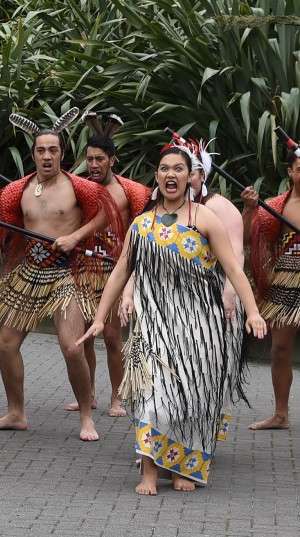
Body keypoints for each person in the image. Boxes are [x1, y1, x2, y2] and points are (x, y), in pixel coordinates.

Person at [77, 146, 266, 494]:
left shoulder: (204, 219)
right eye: (164, 169)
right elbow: (121, 273)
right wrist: (100, 319)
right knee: (152, 398)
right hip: (153, 327)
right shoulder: (142, 224)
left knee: (189, 399)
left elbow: (233, 269)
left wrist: (252, 311)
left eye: (178, 169)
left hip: (199, 328)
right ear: (157, 177)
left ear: (191, 176)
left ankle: (180, 469)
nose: (170, 175)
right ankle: (149, 471)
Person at [0, 111, 123, 441]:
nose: (47, 156)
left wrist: (76, 237)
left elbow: (110, 213)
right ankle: (16, 412)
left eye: (53, 150)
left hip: (65, 275)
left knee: (73, 348)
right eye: (40, 150)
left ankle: (87, 417)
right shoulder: (18, 190)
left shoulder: (81, 189)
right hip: (30, 275)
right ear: (32, 154)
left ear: (62, 154)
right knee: (5, 345)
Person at [65, 123, 151, 417]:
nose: (93, 164)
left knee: (113, 337)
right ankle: (87, 393)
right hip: (84, 270)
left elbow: (113, 220)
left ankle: (117, 397)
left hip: (114, 271)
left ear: (112, 160)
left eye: (99, 159)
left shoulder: (126, 191)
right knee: (84, 337)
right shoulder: (80, 187)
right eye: (89, 159)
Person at [243, 149, 300, 430]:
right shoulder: (277, 206)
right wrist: (251, 209)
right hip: (286, 281)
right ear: (290, 172)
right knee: (279, 349)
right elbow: (249, 238)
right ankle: (280, 414)